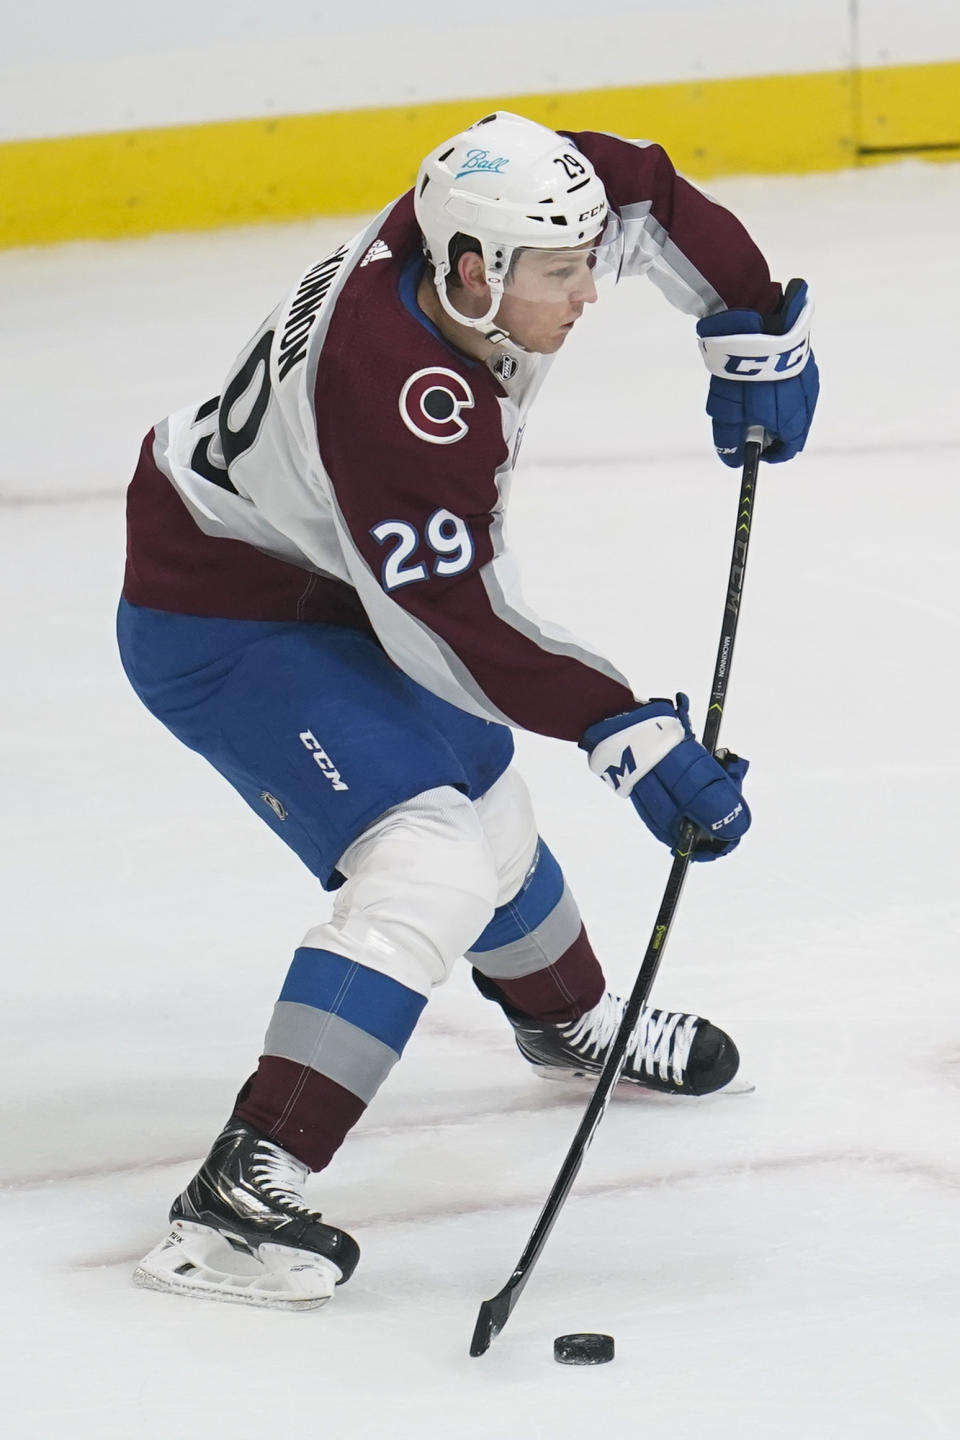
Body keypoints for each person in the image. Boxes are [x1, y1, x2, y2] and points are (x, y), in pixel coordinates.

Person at [118, 111, 818, 1311]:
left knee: (486, 804)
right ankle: (234, 1196)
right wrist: (627, 730)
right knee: (429, 862)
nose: (589, 292)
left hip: (322, 575)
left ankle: (568, 1024)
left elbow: (636, 189)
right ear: (473, 271)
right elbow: (453, 626)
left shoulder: (473, 231)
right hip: (226, 617)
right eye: (560, 274)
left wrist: (748, 321)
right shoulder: (394, 394)